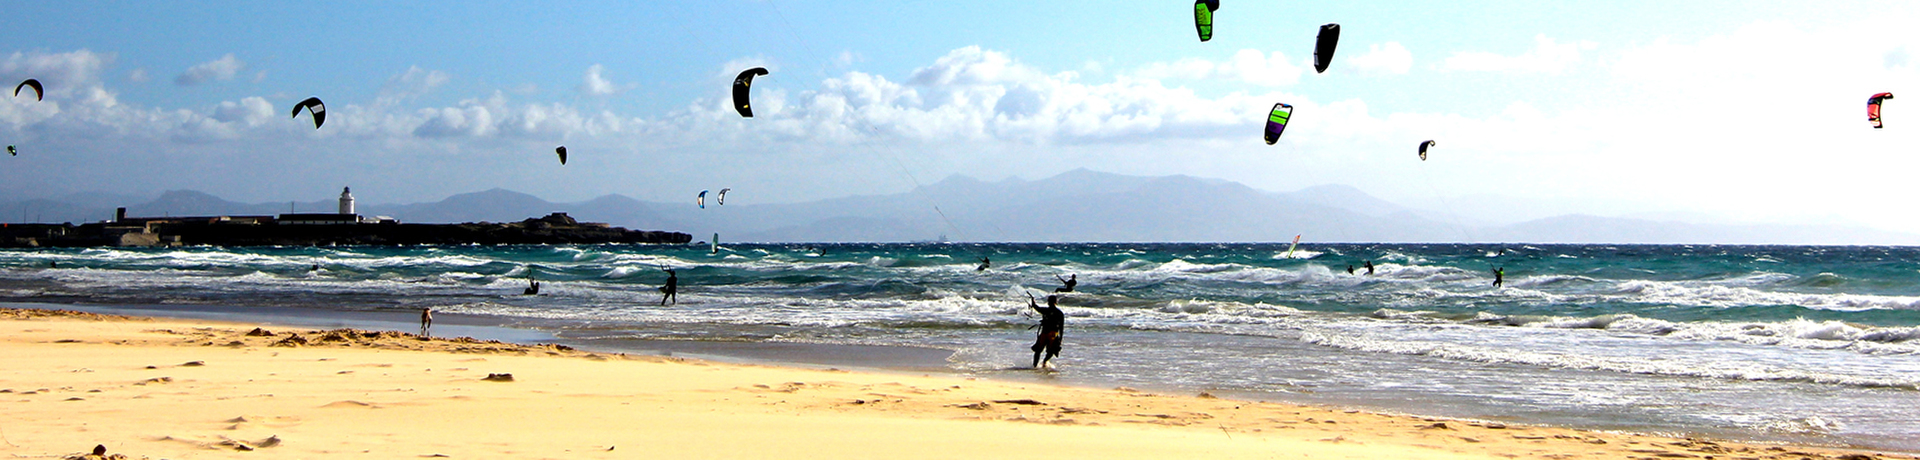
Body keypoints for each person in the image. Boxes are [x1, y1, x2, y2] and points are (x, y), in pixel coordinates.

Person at [1028, 294, 1066, 369]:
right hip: (1053, 334)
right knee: (1051, 351)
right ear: (1056, 302)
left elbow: (1036, 307)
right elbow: (1061, 327)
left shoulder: (1045, 310)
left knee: (1038, 350)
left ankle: (1035, 366)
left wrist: (1033, 301)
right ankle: (1045, 362)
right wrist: (1061, 338)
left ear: (1048, 302)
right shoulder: (1059, 313)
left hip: (1044, 333)